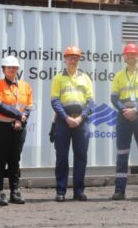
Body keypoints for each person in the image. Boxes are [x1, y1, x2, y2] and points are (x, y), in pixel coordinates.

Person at [110, 42, 138, 201]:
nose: (131, 57)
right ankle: (119, 190)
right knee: (122, 154)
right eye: (128, 54)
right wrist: (125, 110)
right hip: (124, 117)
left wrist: (135, 110)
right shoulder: (118, 76)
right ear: (124, 57)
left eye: (133, 54)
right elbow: (114, 97)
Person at [50, 45, 94, 202]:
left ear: (79, 59)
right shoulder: (58, 78)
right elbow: (55, 101)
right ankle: (60, 191)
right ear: (65, 59)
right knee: (62, 157)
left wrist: (80, 118)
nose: (73, 60)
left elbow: (90, 102)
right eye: (70, 57)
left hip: (81, 121)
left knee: (81, 157)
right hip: (63, 122)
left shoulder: (85, 78)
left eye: (75, 57)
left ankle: (79, 192)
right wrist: (67, 118)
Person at [0, 53, 34, 206]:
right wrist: (18, 115)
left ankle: (15, 191)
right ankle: (0, 192)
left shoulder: (25, 86)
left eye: (14, 68)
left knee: (15, 159)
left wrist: (21, 119)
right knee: (1, 158)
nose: (12, 70)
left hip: (19, 127)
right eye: (9, 68)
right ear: (3, 69)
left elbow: (29, 106)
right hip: (0, 127)